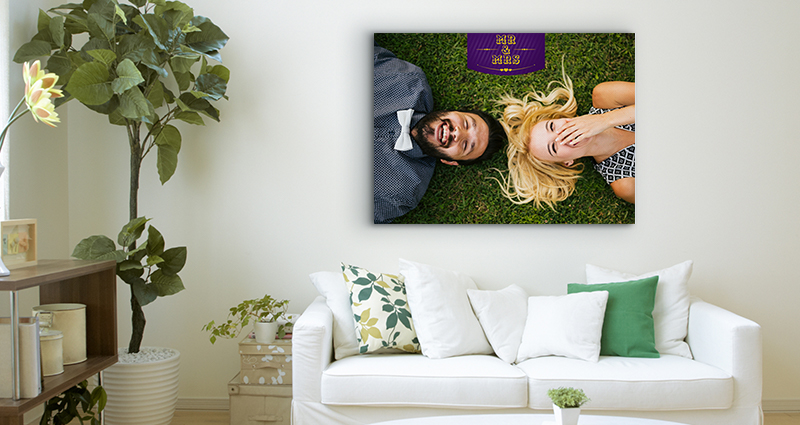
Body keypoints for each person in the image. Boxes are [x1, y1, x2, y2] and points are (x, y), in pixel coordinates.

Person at [374, 42, 505, 223]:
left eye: (466, 145)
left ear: (450, 161)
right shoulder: (407, 79)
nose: (458, 134)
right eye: (466, 124)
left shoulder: (402, 194)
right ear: (454, 111)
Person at [493, 67, 635, 208]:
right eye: (553, 147)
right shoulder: (626, 184)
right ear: (566, 162)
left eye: (552, 127)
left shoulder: (606, 97)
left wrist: (605, 120)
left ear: (559, 118)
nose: (562, 135)